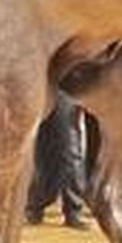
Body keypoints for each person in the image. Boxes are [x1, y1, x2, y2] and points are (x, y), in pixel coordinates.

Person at [27, 90, 89, 230]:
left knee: (69, 147)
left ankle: (73, 208)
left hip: (66, 85)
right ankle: (37, 204)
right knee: (43, 146)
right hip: (42, 84)